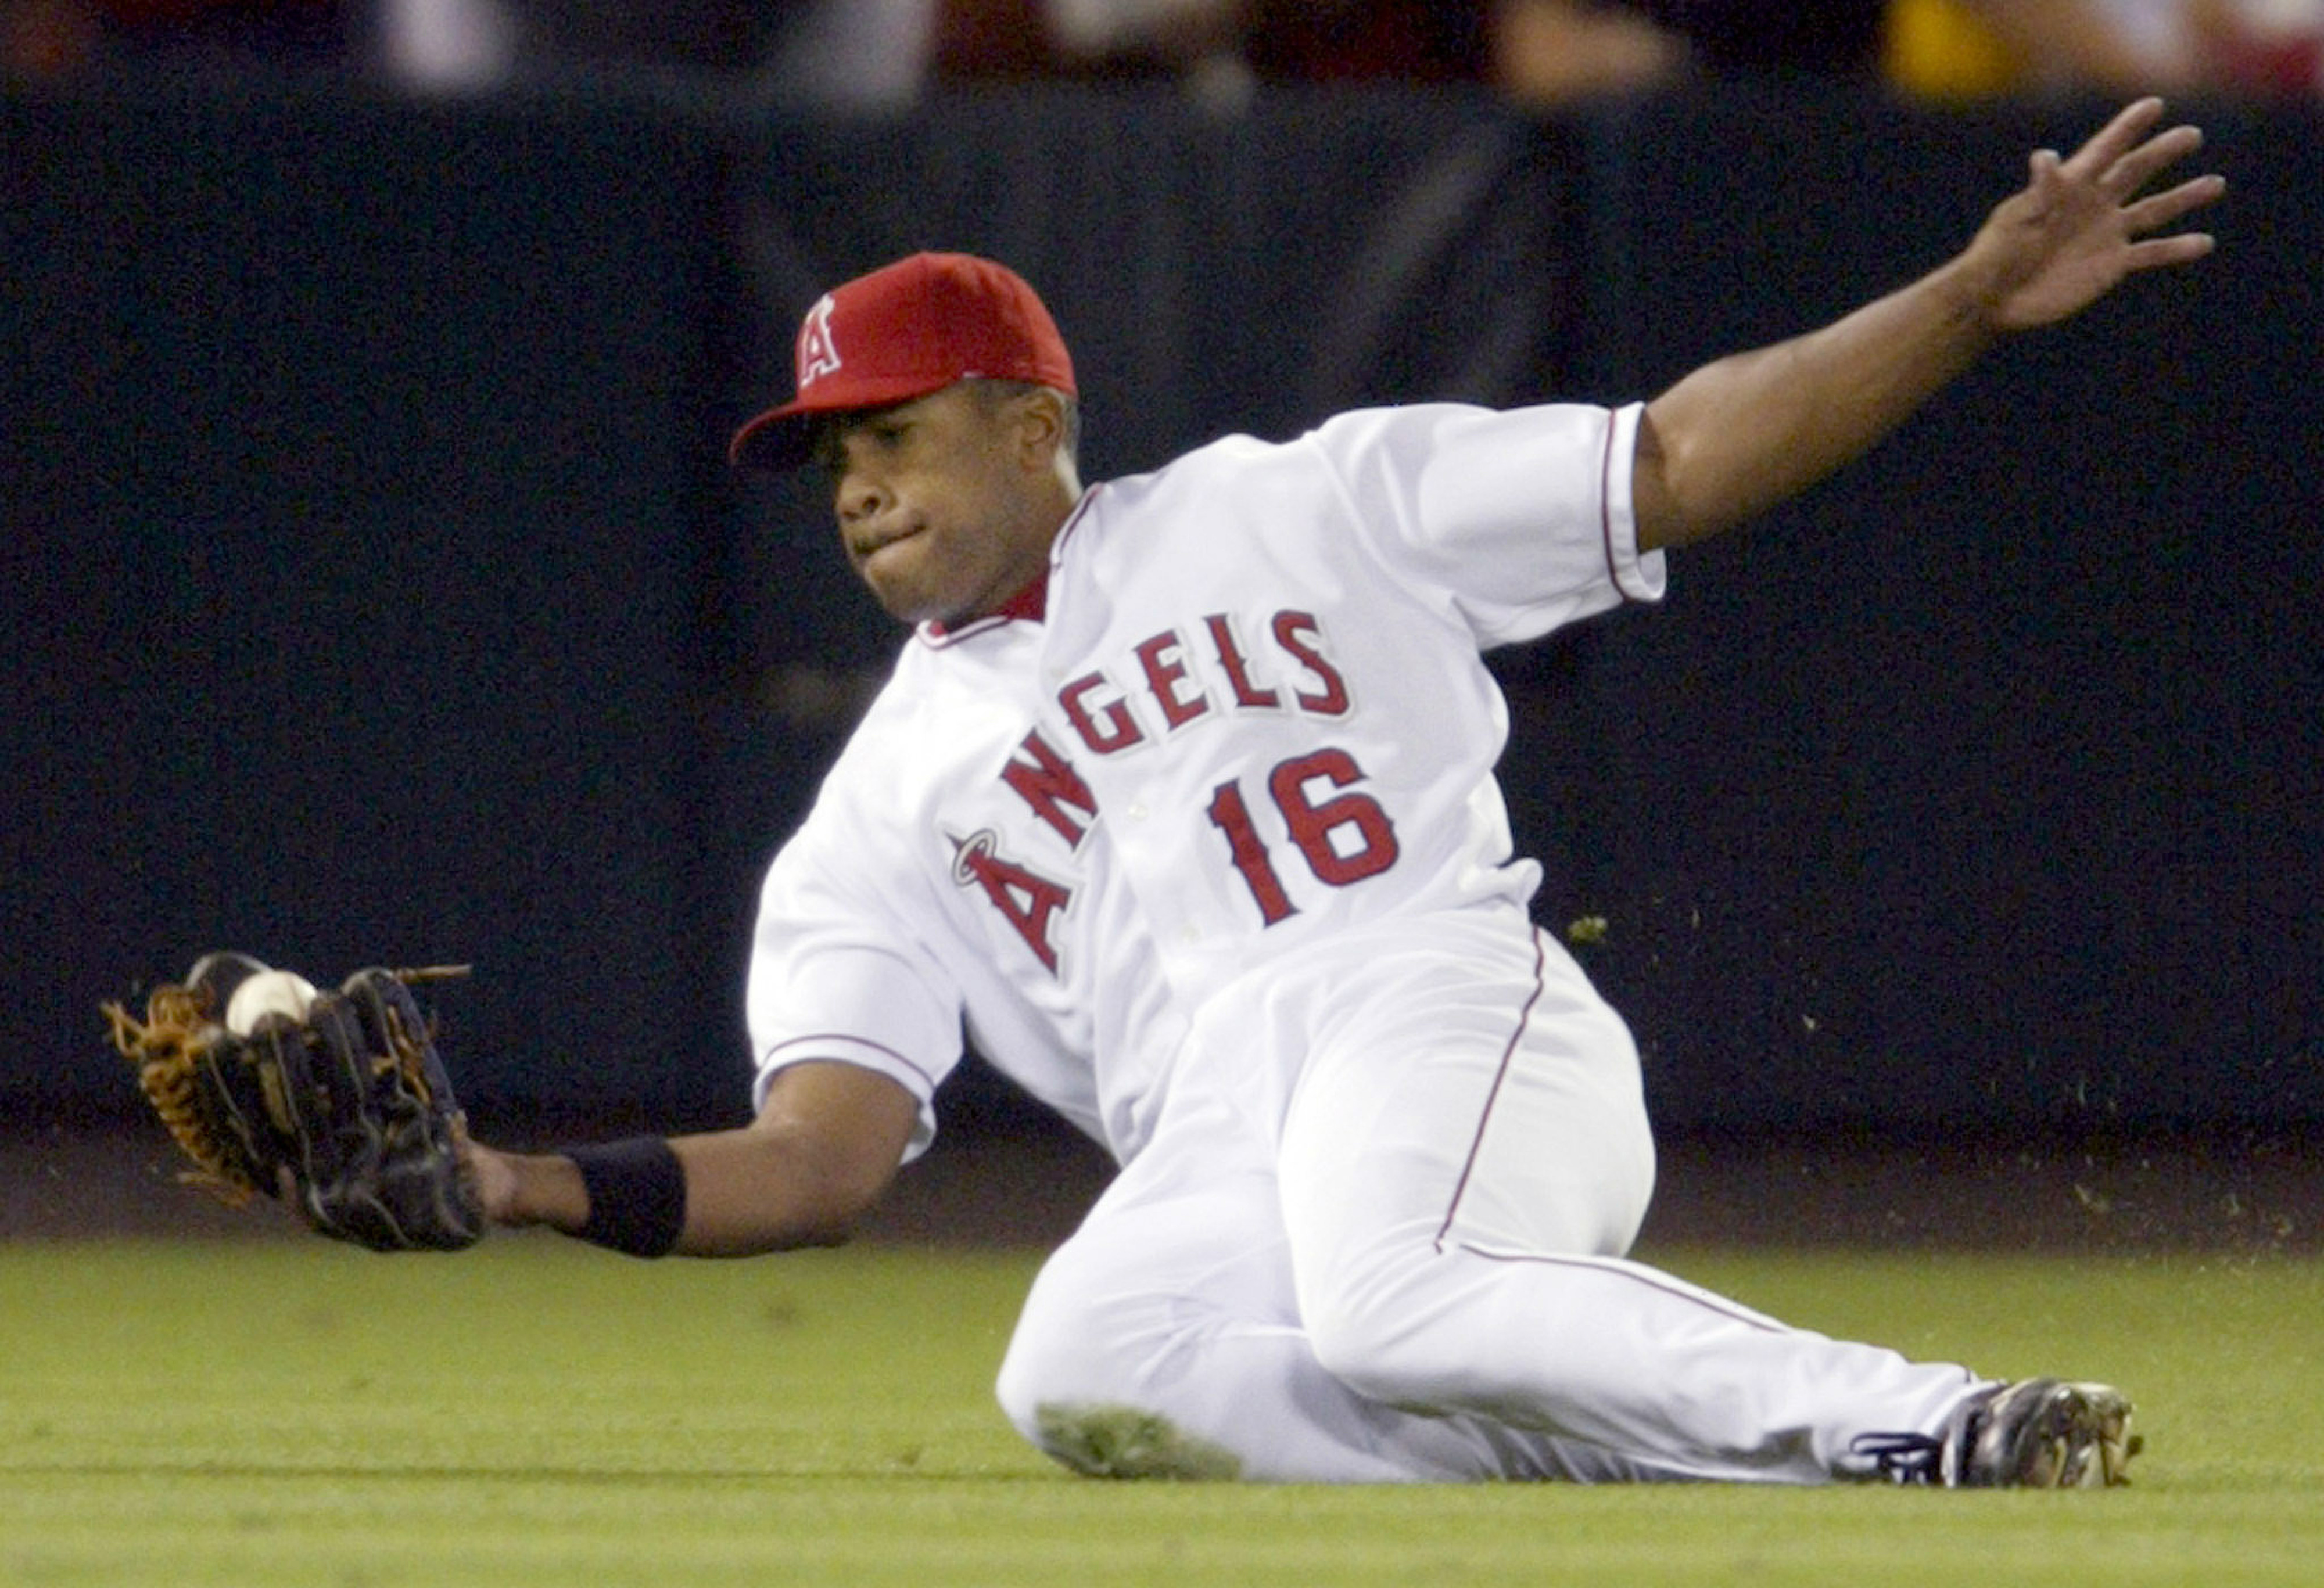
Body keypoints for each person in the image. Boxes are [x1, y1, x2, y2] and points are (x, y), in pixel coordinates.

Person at [464, 98, 2222, 1485]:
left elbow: (1673, 456)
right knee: (1081, 1370)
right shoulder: (874, 818)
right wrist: (524, 1188)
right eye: (833, 460)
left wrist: (1970, 296)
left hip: (1438, 1008)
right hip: (1222, 1142)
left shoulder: (1300, 503)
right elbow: (815, 1162)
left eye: (895, 434)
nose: (853, 488)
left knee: (1389, 1304)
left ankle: (1929, 1416)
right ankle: (1636, 1461)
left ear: (1029, 428)